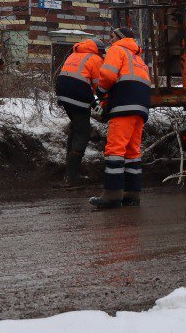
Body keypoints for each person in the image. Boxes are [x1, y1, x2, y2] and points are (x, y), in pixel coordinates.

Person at [90, 27, 154, 210]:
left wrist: (100, 93)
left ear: (121, 38)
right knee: (132, 152)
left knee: (115, 149)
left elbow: (108, 75)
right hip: (140, 108)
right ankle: (131, 195)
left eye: (111, 37)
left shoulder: (117, 50)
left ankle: (111, 196)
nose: (109, 41)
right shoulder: (138, 59)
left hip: (124, 105)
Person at [55, 38, 104, 185]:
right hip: (78, 94)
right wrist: (101, 104)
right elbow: (99, 86)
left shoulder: (74, 54)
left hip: (63, 92)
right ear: (99, 50)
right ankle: (72, 175)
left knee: (75, 130)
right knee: (83, 132)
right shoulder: (95, 59)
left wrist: (94, 103)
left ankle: (69, 172)